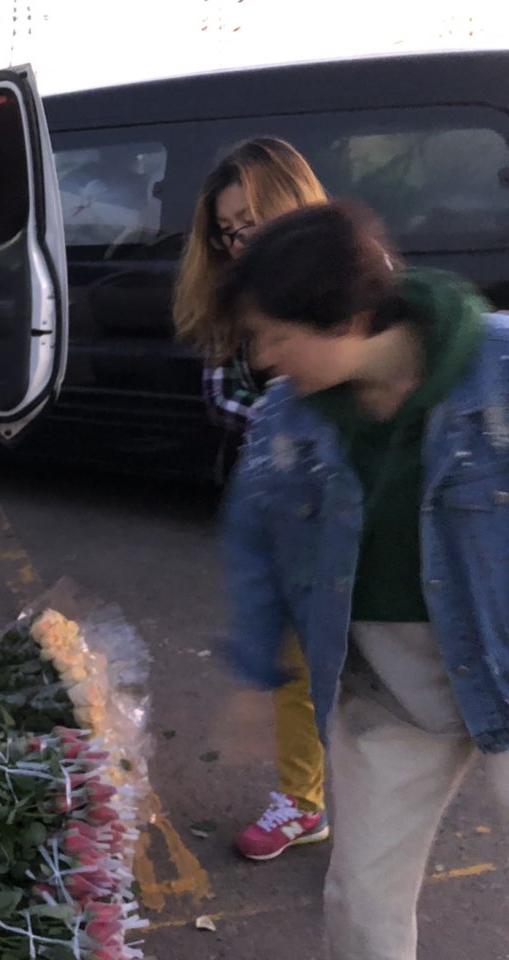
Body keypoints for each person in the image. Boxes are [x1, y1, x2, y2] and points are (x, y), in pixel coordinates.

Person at [218, 199, 509, 959]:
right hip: (389, 694)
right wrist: (253, 672)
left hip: (503, 663)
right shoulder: (288, 420)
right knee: (362, 903)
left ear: (348, 321)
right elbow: (254, 545)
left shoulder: (499, 369)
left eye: (277, 336)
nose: (264, 359)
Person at [171, 136, 331, 860]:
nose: (239, 244)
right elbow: (226, 398)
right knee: (295, 667)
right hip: (284, 512)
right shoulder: (234, 303)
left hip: (355, 519)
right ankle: (304, 800)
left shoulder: (355, 283)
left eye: (251, 224)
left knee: (376, 682)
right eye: (228, 232)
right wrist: (281, 420)